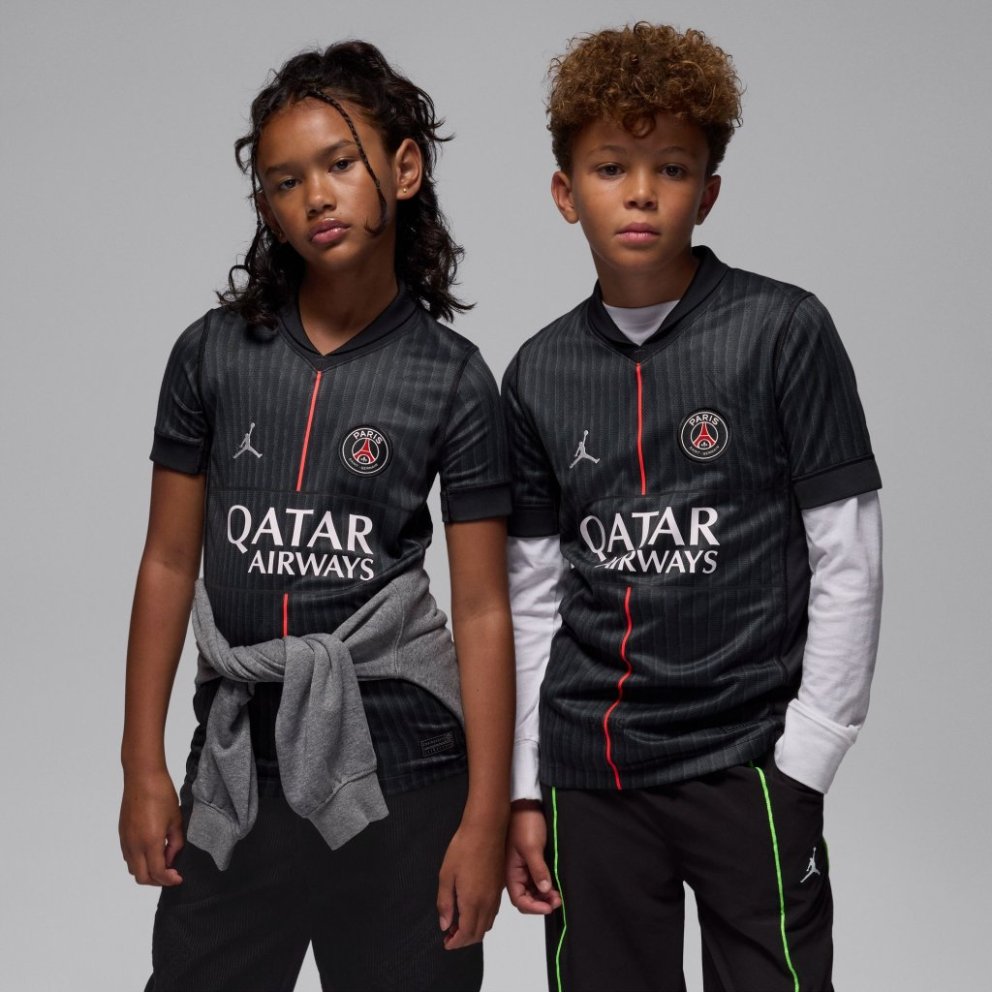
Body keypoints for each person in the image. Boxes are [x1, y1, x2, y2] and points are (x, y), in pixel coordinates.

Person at [119, 41, 514, 992]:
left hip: (406, 768)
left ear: (404, 170)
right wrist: (142, 766)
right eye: (285, 181)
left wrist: (485, 818)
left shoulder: (454, 380)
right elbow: (168, 562)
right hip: (238, 764)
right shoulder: (210, 354)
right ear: (266, 205)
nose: (316, 197)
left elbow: (483, 610)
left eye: (340, 163)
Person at [502, 23, 882, 992]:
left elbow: (846, 555)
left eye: (670, 167)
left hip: (748, 759)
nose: (640, 192)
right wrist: (526, 786)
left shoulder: (782, 330)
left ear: (706, 191)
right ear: (565, 192)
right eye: (610, 167)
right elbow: (532, 595)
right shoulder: (536, 371)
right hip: (590, 771)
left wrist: (808, 755)